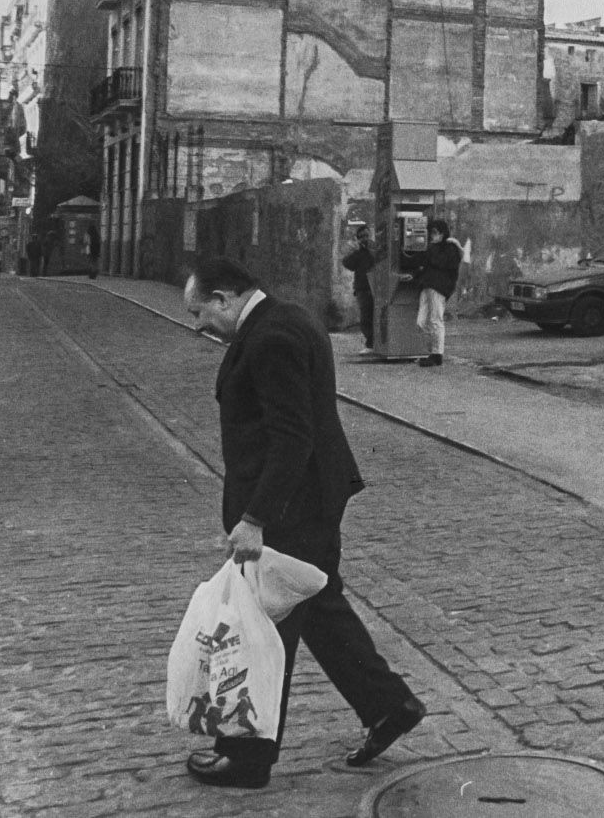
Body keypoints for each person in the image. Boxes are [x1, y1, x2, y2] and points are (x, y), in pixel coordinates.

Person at [181, 256, 425, 790]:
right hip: (312, 498)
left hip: (293, 507)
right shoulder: (288, 317)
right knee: (317, 606)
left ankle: (246, 758)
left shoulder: (271, 339)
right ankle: (388, 705)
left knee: (264, 628)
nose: (199, 325)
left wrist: (254, 518)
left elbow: (293, 436)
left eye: (201, 312)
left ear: (224, 298)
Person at [401, 219, 464, 369]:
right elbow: (426, 266)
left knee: (436, 320)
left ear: (443, 233)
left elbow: (440, 263)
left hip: (439, 287)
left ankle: (437, 354)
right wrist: (414, 276)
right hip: (427, 285)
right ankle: (432, 351)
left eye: (436, 233)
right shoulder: (434, 248)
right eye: (431, 233)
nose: (432, 236)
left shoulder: (450, 248)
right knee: (421, 322)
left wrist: (431, 249)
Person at [340, 224, 382, 352]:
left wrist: (371, 249)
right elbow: (347, 263)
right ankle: (370, 342)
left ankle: (377, 343)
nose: (365, 239)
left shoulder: (376, 249)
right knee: (365, 317)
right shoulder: (358, 253)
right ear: (358, 238)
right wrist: (356, 250)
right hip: (363, 288)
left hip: (377, 287)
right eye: (362, 237)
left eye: (367, 235)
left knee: (378, 316)